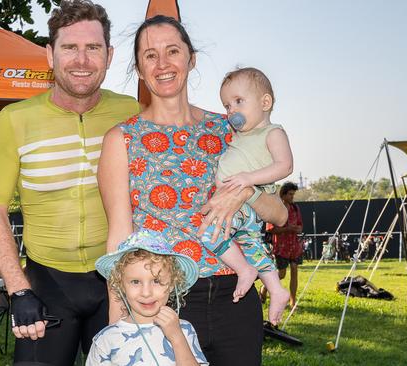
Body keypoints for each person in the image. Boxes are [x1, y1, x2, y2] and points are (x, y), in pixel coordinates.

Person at [98, 15, 287, 366]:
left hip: (236, 296)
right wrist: (117, 325)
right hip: (162, 303)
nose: (163, 64)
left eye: (173, 51)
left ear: (191, 58)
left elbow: (280, 214)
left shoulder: (232, 128)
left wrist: (247, 193)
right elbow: (119, 240)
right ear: (139, 68)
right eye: (150, 55)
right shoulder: (120, 139)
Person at [0, 1, 140, 364]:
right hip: (46, 283)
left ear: (109, 55)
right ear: (50, 55)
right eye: (70, 48)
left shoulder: (131, 112)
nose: (81, 60)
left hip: (118, 279)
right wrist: (18, 289)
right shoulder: (14, 120)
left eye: (93, 48)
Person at [197, 67, 292, 325]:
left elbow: (285, 166)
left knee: (208, 233)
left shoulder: (272, 132)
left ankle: (243, 269)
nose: (231, 111)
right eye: (227, 105)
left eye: (239, 101)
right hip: (241, 205)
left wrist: (247, 181)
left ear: (265, 102)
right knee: (253, 245)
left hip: (245, 202)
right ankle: (276, 289)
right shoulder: (241, 134)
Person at [86, 229, 207, 366]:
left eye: (156, 281)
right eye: (135, 282)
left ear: (172, 283)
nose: (146, 293)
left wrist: (177, 337)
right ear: (121, 285)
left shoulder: (184, 329)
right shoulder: (106, 339)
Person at [264, 182, 303, 308]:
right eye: (290, 194)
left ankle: (293, 301)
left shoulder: (295, 208)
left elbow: (300, 226)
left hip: (294, 247)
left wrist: (297, 229)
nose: (292, 197)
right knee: (281, 274)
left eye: (293, 194)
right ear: (283, 194)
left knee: (294, 270)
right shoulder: (276, 208)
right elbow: (270, 229)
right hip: (281, 247)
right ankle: (264, 288)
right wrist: (287, 229)